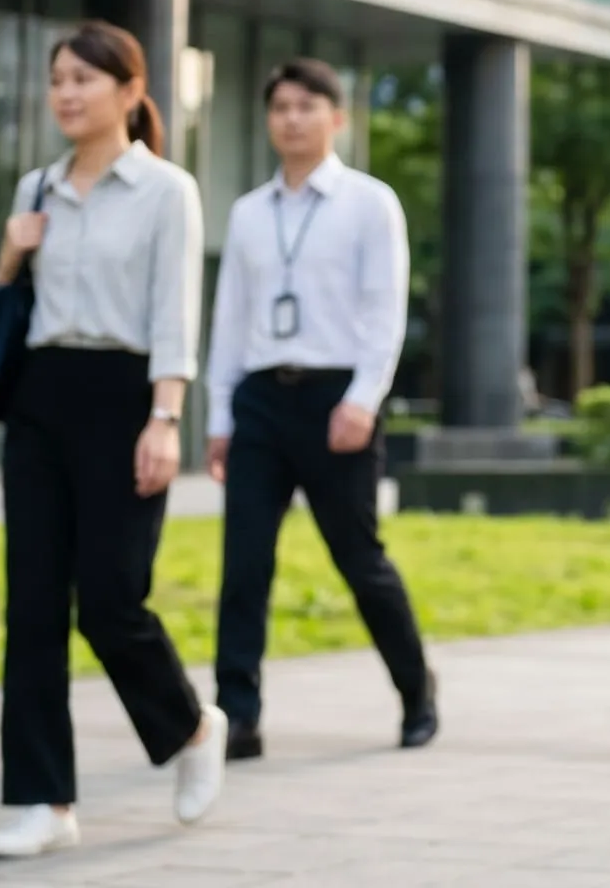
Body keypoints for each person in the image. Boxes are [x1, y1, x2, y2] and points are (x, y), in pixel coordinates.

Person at [0, 20, 223, 859]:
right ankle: (41, 800)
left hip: (126, 400)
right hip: (43, 398)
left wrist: (165, 420)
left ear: (129, 90)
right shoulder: (36, 188)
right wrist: (9, 258)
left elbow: (174, 316)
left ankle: (190, 727)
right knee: (33, 607)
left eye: (84, 79)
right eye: (57, 81)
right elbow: (7, 309)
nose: (67, 94)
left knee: (112, 602)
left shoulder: (166, 190)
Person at [206, 58, 436, 760]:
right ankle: (237, 715)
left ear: (338, 118)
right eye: (280, 108)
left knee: (358, 558)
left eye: (308, 106)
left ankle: (415, 689)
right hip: (260, 400)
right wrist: (220, 417)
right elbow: (230, 318)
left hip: (338, 398)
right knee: (244, 564)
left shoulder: (370, 203)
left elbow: (384, 310)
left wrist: (363, 399)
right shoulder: (248, 213)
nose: (293, 119)